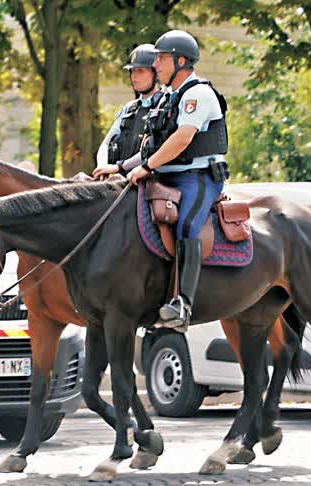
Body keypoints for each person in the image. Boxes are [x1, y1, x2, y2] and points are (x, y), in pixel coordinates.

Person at [125, 29, 229, 333]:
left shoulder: (198, 94)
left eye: (161, 58)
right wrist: (119, 167)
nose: (156, 64)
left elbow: (182, 140)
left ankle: (183, 303)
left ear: (181, 61)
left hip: (198, 179)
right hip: (165, 176)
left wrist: (146, 166)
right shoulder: (169, 98)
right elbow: (152, 146)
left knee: (186, 224)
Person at [92, 44, 161, 179]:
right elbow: (106, 143)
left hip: (149, 180)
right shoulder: (129, 108)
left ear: (156, 74)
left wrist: (118, 167)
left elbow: (151, 150)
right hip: (121, 179)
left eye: (140, 71)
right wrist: (102, 166)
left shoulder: (165, 105)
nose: (134, 76)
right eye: (132, 71)